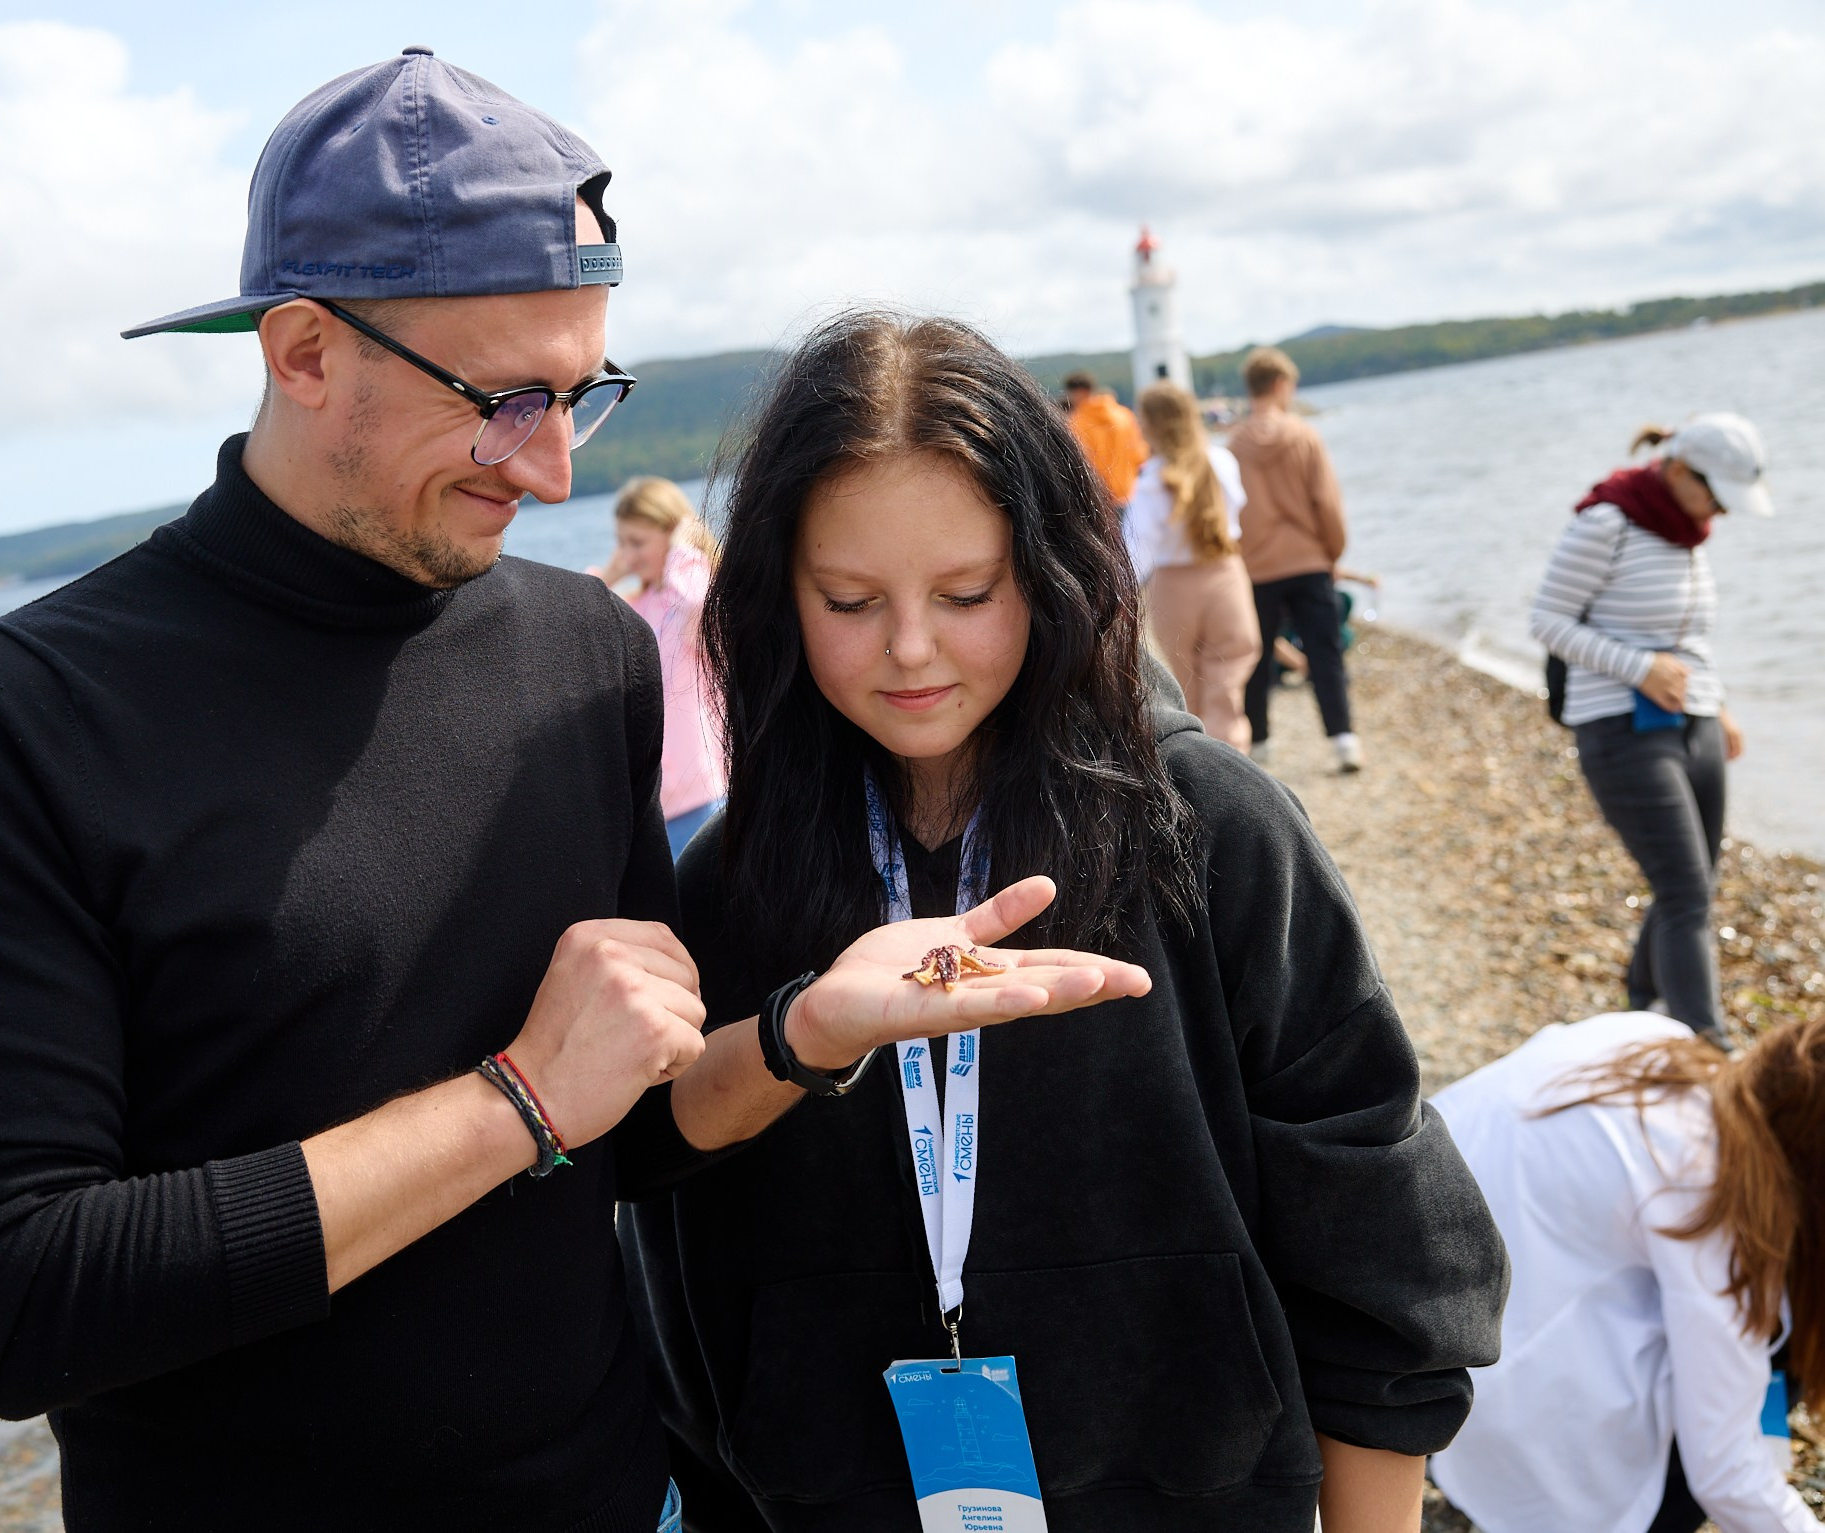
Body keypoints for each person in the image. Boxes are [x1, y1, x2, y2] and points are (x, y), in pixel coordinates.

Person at [0, 56, 1144, 1530]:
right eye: (502, 399)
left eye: (583, 393)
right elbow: (22, 1305)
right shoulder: (18, 718)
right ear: (301, 353)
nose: (549, 470)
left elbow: (630, 1133)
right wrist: (515, 1100)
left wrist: (801, 1030)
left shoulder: (585, 654)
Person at [623, 311, 1508, 1532]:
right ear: (776, 596)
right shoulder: (722, 883)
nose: (912, 648)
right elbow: (646, 1177)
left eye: (967, 591)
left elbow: (1377, 1243)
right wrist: (800, 1035)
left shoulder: (1212, 825)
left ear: (1048, 570)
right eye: (848, 600)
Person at [1429, 1011, 1825, 1533]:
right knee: (1775, 1352)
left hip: (1386, 1317)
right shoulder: (1711, 1206)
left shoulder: (1650, 1037)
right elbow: (1725, 1472)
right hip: (1462, 1402)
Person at [1529, 414, 1773, 1047]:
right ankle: (1708, 1053)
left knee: (1690, 882)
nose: (1718, 509)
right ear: (1678, 469)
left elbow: (1687, 637)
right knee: (1687, 891)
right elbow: (1548, 619)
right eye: (1714, 493)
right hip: (1618, 728)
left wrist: (1719, 709)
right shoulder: (1607, 521)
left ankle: (1642, 1004)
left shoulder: (1686, 529)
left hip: (1695, 722)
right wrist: (1638, 668)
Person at [1229, 346, 1360, 771]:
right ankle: (1343, 740)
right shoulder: (1304, 435)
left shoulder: (1234, 444)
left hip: (1256, 567)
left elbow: (1228, 511)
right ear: (1282, 384)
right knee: (1326, 653)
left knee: (1256, 657)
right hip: (1308, 561)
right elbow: (1326, 501)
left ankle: (1261, 744)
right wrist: (1333, 551)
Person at [1122, 379, 1259, 752]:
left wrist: (1116, 599)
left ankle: (1199, 768)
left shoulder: (1151, 479)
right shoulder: (1221, 462)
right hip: (1224, 574)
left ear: (1149, 424)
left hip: (1172, 586)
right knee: (1227, 679)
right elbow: (1238, 513)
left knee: (1187, 685)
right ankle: (1233, 755)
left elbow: (1138, 550)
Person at [595, 477, 726, 853]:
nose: (628, 555)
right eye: (621, 543)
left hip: (703, 795)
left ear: (672, 535)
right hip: (654, 801)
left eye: (637, 543)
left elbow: (700, 608)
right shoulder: (639, 605)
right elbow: (580, 645)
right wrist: (607, 578)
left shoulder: (688, 599)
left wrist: (684, 552)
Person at [1060, 368, 1147, 508]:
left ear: (1077, 392)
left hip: (1099, 496)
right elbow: (1139, 453)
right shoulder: (1124, 415)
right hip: (1130, 491)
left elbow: (1079, 461)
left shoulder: (1077, 422)